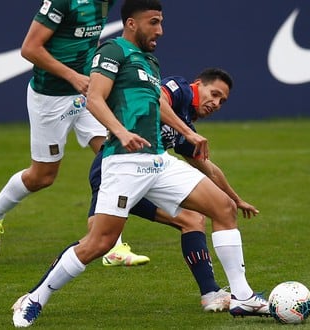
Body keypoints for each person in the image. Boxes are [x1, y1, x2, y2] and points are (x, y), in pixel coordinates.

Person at [11, 1, 270, 327]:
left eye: (161, 23)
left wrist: (187, 133)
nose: (160, 30)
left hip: (158, 161)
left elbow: (156, 104)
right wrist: (120, 131)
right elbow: (94, 98)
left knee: (222, 209)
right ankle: (34, 298)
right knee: (99, 243)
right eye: (154, 22)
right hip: (123, 163)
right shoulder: (113, 51)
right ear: (132, 23)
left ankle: (242, 297)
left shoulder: (150, 61)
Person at [0, 0, 148, 266]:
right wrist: (72, 76)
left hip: (88, 92)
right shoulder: (63, 2)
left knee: (112, 157)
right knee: (43, 176)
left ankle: (112, 245)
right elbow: (30, 48)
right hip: (51, 96)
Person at [88, 68, 259, 312]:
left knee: (191, 219)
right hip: (114, 174)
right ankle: (36, 295)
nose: (217, 103)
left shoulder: (184, 126)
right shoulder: (179, 89)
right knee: (95, 244)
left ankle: (210, 293)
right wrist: (186, 131)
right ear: (198, 84)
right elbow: (157, 98)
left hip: (143, 178)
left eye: (222, 101)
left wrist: (236, 200)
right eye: (214, 94)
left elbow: (209, 169)